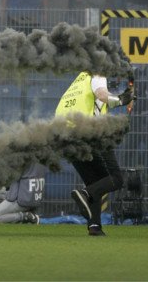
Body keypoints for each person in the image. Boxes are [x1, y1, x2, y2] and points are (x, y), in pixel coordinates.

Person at [57, 70, 133, 237]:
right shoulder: (98, 74)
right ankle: (84, 194)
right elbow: (102, 95)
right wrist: (121, 99)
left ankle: (94, 226)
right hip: (91, 133)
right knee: (116, 179)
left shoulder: (79, 79)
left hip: (67, 137)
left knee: (95, 183)